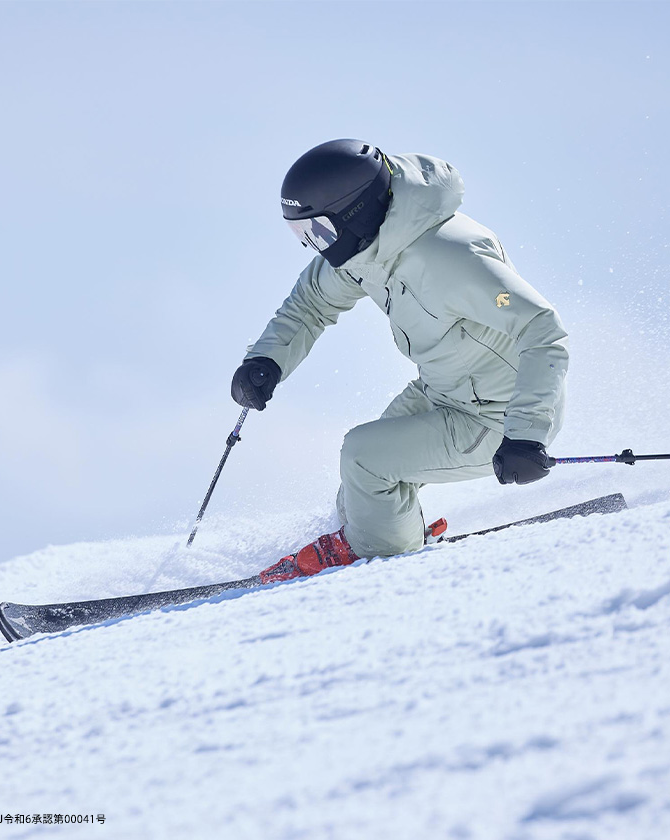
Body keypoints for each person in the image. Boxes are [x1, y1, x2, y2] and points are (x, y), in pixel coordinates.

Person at [231, 139, 568, 582]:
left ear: (354, 212)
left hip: (500, 418)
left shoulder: (452, 256)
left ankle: (382, 564)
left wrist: (526, 434)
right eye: (304, 237)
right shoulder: (365, 249)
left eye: (318, 232)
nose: (316, 247)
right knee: (359, 493)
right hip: (446, 392)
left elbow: (542, 331)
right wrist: (266, 360)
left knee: (365, 459)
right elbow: (310, 303)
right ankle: (391, 539)